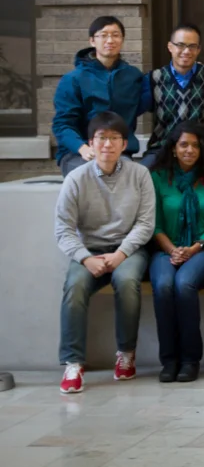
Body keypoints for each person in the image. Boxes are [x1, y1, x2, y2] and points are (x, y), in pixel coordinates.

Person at [54, 112, 155, 394]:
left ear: (124, 145)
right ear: (91, 142)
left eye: (114, 139)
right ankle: (73, 363)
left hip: (129, 251)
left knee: (126, 282)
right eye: (101, 138)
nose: (107, 145)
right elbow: (63, 228)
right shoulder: (76, 178)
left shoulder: (140, 174)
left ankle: (126, 353)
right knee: (74, 286)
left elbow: (146, 223)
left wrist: (121, 254)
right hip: (89, 252)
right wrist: (85, 257)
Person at [147, 121, 204, 383]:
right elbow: (153, 223)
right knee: (164, 284)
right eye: (183, 145)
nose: (189, 150)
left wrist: (193, 249)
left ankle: (191, 360)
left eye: (195, 145)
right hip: (164, 248)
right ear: (173, 149)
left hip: (203, 249)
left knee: (184, 283)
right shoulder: (157, 178)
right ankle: (169, 360)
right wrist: (172, 249)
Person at [53, 16, 144, 175]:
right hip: (79, 153)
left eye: (116, 35)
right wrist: (82, 147)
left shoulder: (133, 77)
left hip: (118, 153)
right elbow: (62, 124)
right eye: (103, 35)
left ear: (122, 40)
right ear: (92, 41)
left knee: (130, 175)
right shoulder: (73, 79)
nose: (110, 40)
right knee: (94, 173)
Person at [140, 22, 204, 168]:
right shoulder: (154, 78)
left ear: (198, 49)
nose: (186, 51)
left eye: (192, 46)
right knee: (141, 174)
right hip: (163, 146)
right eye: (181, 45)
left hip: (201, 147)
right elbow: (134, 108)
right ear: (170, 47)